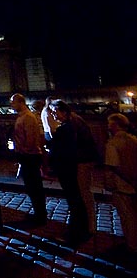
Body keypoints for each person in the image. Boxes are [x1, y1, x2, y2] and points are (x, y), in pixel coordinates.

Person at [48, 99, 98, 245]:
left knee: (78, 197)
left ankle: (80, 231)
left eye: (55, 112)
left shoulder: (69, 126)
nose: (53, 115)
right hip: (78, 162)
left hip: (74, 165)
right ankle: (87, 227)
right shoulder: (74, 122)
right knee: (81, 196)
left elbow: (66, 150)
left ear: (63, 111)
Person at [10, 93, 47, 226]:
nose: (11, 105)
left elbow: (30, 140)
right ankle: (38, 213)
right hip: (27, 156)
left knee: (35, 187)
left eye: (13, 102)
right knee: (31, 187)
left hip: (30, 156)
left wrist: (23, 152)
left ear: (21, 102)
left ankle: (40, 215)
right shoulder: (23, 117)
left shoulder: (28, 117)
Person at [104, 113, 137, 252]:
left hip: (121, 185)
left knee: (126, 216)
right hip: (133, 182)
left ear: (115, 125)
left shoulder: (112, 144)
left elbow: (113, 166)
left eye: (109, 124)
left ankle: (132, 244)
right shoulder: (134, 139)